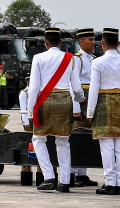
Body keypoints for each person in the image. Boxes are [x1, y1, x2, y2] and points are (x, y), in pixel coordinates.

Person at [27, 27, 80, 192]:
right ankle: (64, 182)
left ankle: (49, 177)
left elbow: (34, 86)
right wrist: (79, 103)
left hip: (46, 101)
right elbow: (76, 87)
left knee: (38, 139)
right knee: (63, 141)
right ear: (61, 42)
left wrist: (30, 111)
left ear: (46, 42)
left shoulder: (38, 58)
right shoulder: (71, 58)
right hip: (65, 100)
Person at [86, 28, 120, 195]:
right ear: (119, 44)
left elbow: (93, 89)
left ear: (103, 44)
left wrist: (90, 112)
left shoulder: (98, 62)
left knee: (107, 147)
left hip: (103, 103)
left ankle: (109, 182)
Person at [70, 27, 98, 187]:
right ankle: (72, 173)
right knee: (75, 138)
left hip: (89, 101)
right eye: (90, 40)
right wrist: (75, 109)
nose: (93, 42)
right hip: (80, 101)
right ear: (81, 42)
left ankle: (82, 173)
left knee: (86, 137)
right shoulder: (77, 59)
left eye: (94, 39)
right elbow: (73, 84)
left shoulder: (93, 59)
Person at [17, 73, 43, 186]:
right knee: (31, 144)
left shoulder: (38, 91)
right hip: (29, 121)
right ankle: (28, 166)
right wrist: (26, 122)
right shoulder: (24, 93)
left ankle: (39, 168)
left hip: (38, 120)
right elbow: (23, 109)